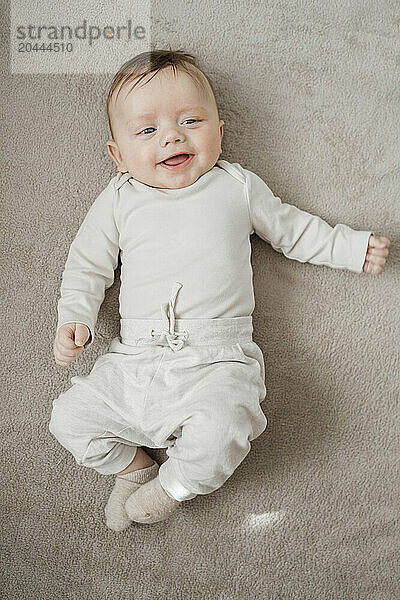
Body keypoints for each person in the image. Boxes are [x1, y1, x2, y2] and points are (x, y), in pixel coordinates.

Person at [50, 49, 390, 532]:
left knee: (228, 429)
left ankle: (173, 487)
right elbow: (87, 264)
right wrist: (75, 317)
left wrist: (351, 248)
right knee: (68, 420)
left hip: (217, 360)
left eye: (191, 120)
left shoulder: (236, 186)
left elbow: (292, 230)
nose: (172, 135)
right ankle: (135, 468)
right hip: (132, 362)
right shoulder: (119, 197)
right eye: (147, 130)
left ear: (219, 131)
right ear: (118, 154)